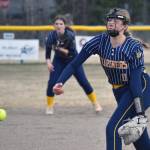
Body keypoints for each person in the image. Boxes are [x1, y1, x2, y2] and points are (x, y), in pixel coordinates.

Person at [53, 8, 150, 150]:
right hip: (120, 91)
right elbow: (74, 63)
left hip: (141, 88)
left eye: (116, 20)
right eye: (109, 19)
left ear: (124, 26)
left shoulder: (133, 47)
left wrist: (140, 113)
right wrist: (60, 82)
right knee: (139, 139)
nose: (111, 23)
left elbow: (135, 81)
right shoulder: (100, 41)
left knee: (113, 128)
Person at [45, 15, 102, 115]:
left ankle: (95, 103)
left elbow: (69, 53)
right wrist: (48, 62)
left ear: (64, 25)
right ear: (53, 25)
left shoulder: (70, 35)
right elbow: (48, 52)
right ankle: (49, 106)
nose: (58, 26)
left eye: (61, 24)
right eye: (56, 24)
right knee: (52, 83)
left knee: (84, 82)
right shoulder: (51, 36)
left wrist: (57, 47)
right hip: (58, 60)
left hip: (73, 60)